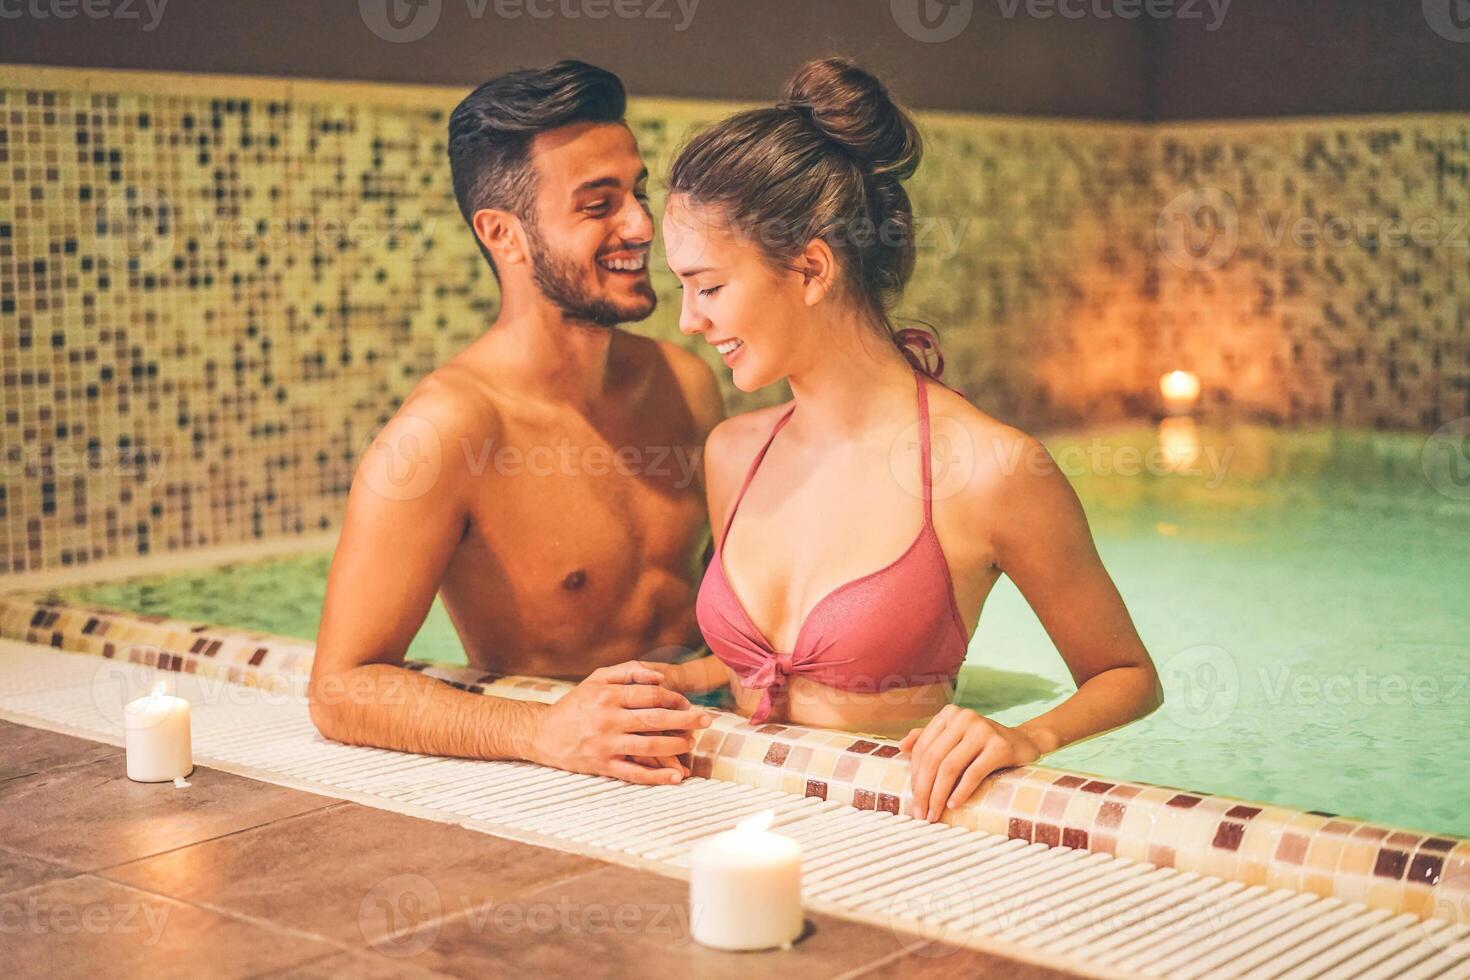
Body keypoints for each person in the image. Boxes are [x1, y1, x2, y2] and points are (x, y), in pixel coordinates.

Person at [652, 58, 1163, 821]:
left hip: (902, 829)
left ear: (812, 269)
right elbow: (761, 671)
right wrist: (687, 679)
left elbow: (1127, 675)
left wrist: (1023, 738)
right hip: (744, 815)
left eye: (710, 286)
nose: (689, 320)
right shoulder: (734, 452)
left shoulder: (987, 469)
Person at [308, 61, 723, 786]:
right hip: (567, 775)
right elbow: (341, 687)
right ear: (503, 235)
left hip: (709, 740)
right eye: (599, 205)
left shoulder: (684, 384)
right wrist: (542, 731)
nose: (641, 225)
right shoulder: (447, 433)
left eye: (638, 192)